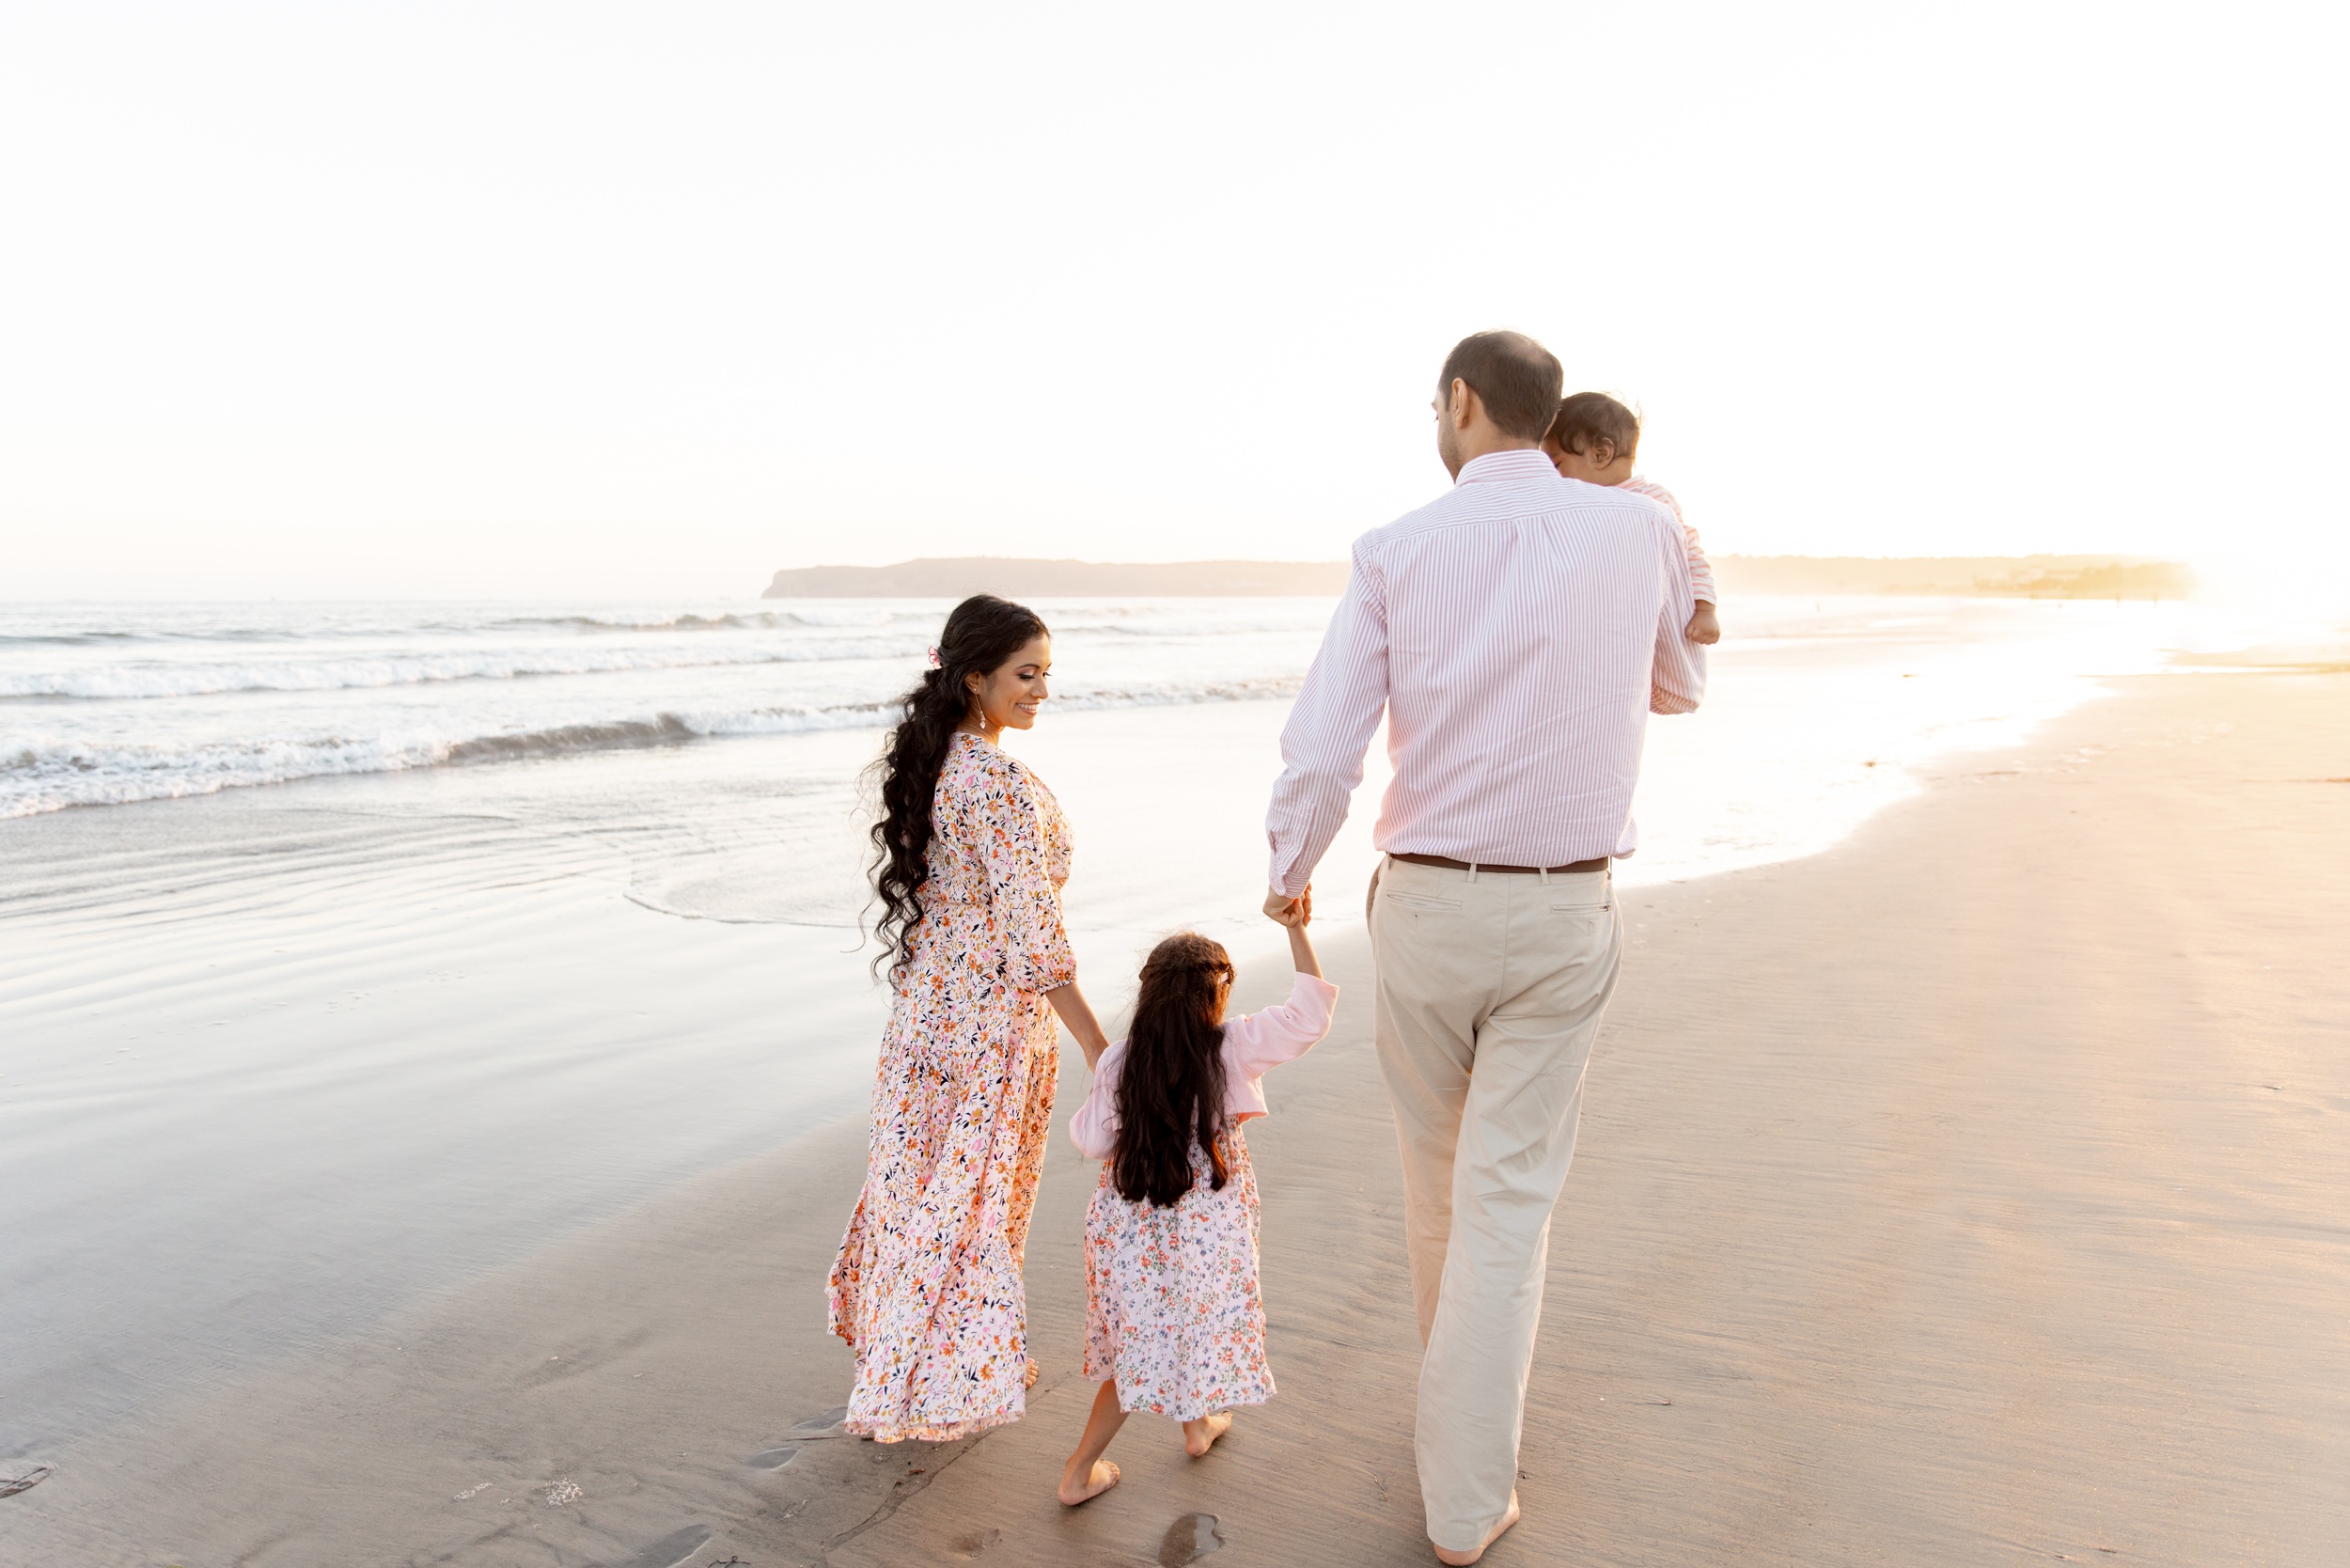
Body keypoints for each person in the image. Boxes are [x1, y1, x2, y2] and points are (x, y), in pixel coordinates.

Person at [1264, 331, 1707, 1563]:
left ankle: (1457, 1448)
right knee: (1505, 1194)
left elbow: (1326, 744)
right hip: (1566, 910)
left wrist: (1288, 868)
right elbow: (1681, 688)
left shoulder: (1398, 549)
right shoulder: (1644, 531)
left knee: (1436, 1182)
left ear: (1462, 405)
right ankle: (1468, 1481)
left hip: (1426, 906)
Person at [826, 593, 1114, 1443]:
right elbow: (1036, 939)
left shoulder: (936, 763)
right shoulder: (993, 783)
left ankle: (906, 1376)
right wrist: (1103, 1048)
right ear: (975, 677)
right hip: (987, 1025)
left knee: (919, 1197)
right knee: (973, 1204)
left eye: (1047, 675)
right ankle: (939, 1384)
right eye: (1026, 675)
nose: (1041, 692)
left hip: (925, 1019)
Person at [1054, 903, 1338, 1508]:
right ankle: (1078, 1472)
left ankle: (1195, 1427)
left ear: (1148, 994)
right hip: (1207, 1232)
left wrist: (1107, 1077)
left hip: (1126, 1232)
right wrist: (1294, 926)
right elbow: (1308, 1016)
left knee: (1143, 1342)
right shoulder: (1228, 1047)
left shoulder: (1121, 1061)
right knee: (1187, 1329)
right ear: (1218, 993)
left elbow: (1091, 1140)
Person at [1543, 390, 1721, 646]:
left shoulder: (1654, 501)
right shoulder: (1580, 506)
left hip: (1666, 630)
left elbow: (1692, 555)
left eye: (1556, 464)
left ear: (1601, 454)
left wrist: (1706, 611)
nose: (1552, 476)